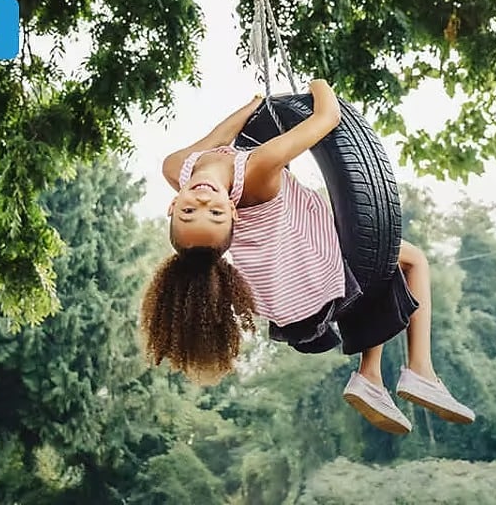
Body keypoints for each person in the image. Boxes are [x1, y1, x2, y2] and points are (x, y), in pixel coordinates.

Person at [139, 79, 475, 434]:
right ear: (233, 212)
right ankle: (419, 369)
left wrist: (254, 106)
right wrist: (318, 84)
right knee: (407, 260)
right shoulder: (257, 169)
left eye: (189, 212)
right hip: (309, 264)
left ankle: (371, 377)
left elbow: (218, 137)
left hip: (293, 272)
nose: (204, 201)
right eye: (216, 214)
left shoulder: (176, 167)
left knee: (383, 262)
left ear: (173, 204)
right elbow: (327, 118)